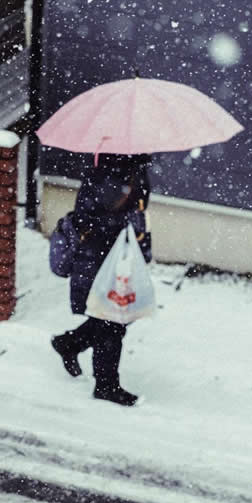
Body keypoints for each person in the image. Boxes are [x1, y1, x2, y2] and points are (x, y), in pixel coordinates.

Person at [50, 152, 152, 407]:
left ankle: (69, 343)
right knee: (112, 321)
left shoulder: (128, 171)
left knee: (114, 317)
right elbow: (96, 219)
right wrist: (130, 218)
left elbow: (134, 214)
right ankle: (106, 385)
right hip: (98, 258)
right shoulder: (108, 175)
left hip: (116, 257)